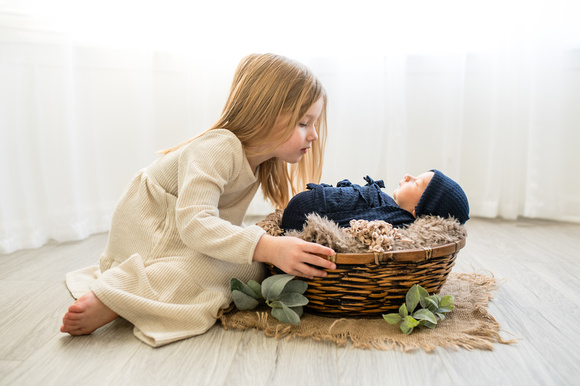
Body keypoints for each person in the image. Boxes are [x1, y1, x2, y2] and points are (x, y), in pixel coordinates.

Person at [60, 53, 337, 347]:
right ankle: (118, 293)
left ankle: (151, 287)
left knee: (250, 268)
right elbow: (195, 224)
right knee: (230, 264)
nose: (314, 135)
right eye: (304, 123)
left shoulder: (259, 161)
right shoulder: (218, 147)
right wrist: (267, 246)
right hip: (153, 236)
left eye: (314, 123)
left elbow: (219, 223)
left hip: (185, 236)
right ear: (265, 115)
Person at [280, 170, 469, 232]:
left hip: (301, 213)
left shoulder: (395, 221)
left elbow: (354, 228)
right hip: (303, 206)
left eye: (416, 182)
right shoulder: (389, 205)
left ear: (417, 210)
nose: (408, 176)